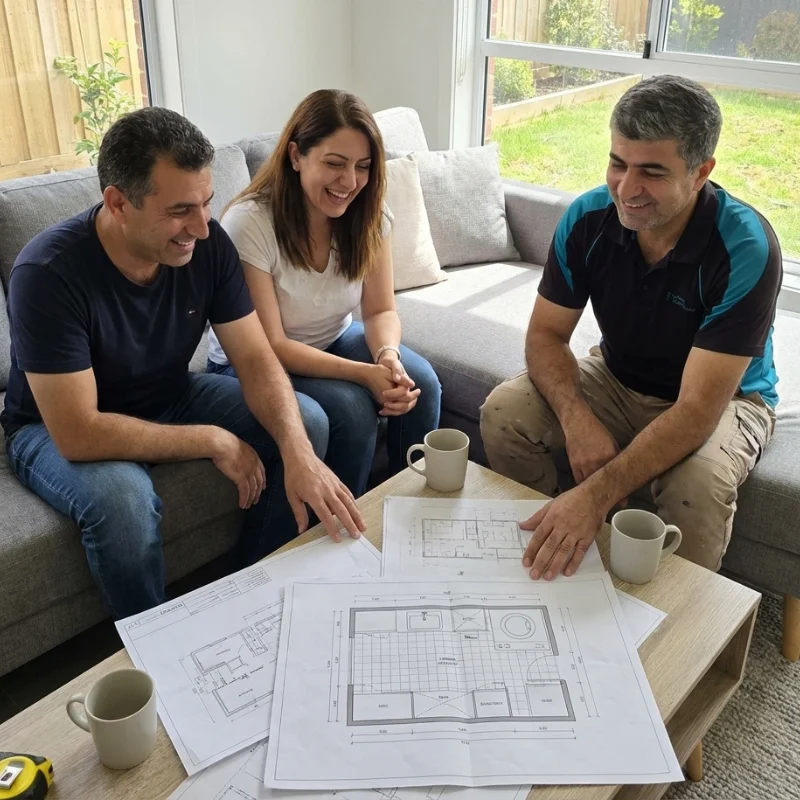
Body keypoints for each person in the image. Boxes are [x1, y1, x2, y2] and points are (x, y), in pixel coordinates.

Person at [1, 107, 365, 619]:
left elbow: (255, 357)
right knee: (124, 503)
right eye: (179, 210)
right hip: (50, 427)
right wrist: (212, 439)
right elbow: (78, 432)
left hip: (169, 393)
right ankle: (156, 642)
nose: (201, 226)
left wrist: (299, 453)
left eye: (206, 202)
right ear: (118, 203)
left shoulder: (207, 245)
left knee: (306, 423)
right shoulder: (47, 272)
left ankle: (253, 596)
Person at [480, 75, 782, 581]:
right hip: (616, 375)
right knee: (504, 412)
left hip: (728, 398)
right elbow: (546, 336)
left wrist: (595, 494)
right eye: (618, 163)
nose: (626, 188)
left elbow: (697, 408)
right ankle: (553, 550)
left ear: (701, 172)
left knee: (695, 489)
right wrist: (577, 419)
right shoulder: (587, 218)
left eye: (652, 172)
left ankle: (675, 618)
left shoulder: (745, 247)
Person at [206, 89, 441, 497]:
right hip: (254, 362)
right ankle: (345, 525)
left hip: (331, 339)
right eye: (334, 163)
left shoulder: (369, 215)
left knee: (421, 384)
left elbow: (381, 310)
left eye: (363, 167)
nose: (349, 182)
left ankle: (404, 510)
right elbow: (272, 344)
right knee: (353, 410)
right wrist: (363, 374)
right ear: (296, 156)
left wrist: (387, 357)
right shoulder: (250, 224)